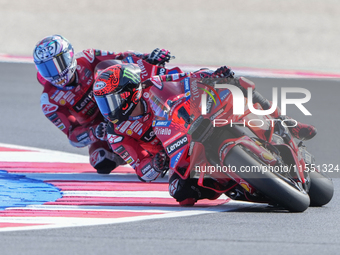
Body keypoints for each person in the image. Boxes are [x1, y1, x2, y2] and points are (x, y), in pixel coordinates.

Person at [92, 63, 317, 206]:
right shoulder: (116, 133)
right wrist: (155, 163)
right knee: (181, 194)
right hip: (176, 154)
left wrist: (213, 75)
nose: (108, 109)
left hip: (194, 120)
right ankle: (241, 186)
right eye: (103, 103)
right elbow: (141, 169)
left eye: (111, 101)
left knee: (236, 83)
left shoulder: (155, 83)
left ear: (130, 92)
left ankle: (287, 123)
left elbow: (187, 77)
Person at [33, 34, 172, 174]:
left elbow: (122, 58)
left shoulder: (89, 57)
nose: (55, 73)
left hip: (125, 106)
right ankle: (148, 161)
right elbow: (73, 137)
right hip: (102, 128)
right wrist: (95, 132)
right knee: (100, 160)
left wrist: (149, 58)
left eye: (57, 64)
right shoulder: (49, 101)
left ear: (69, 56)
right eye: (47, 68)